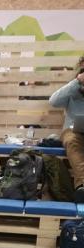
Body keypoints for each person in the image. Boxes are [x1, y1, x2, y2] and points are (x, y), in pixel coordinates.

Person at [49, 56, 84, 203]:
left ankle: (82, 187)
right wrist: (77, 82)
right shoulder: (73, 89)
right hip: (73, 131)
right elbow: (54, 101)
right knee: (71, 140)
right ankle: (82, 184)